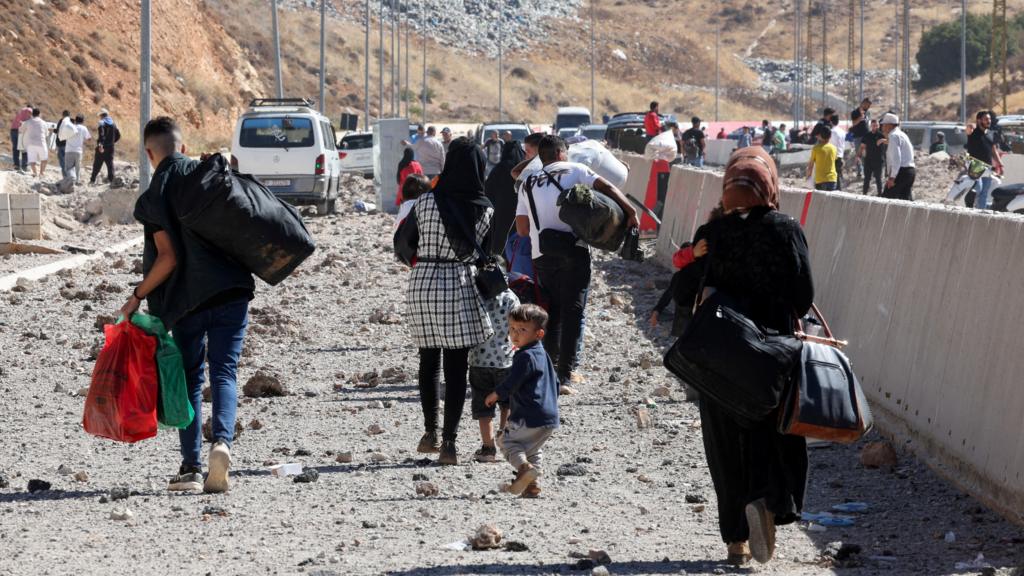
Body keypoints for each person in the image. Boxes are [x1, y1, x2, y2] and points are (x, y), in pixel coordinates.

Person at [123, 116, 255, 493]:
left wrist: (136, 297)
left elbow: (167, 259)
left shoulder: (153, 196)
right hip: (231, 290)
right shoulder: (210, 175)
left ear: (150, 153)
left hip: (185, 302)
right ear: (182, 147)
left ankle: (191, 469)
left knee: (192, 379)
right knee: (225, 372)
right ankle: (223, 444)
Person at [699, 145, 814, 566]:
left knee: (724, 443)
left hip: (718, 354)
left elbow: (692, 285)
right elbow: (804, 295)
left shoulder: (716, 232)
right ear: (770, 185)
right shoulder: (786, 230)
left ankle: (735, 540)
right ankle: (764, 500)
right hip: (771, 353)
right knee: (772, 433)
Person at [514, 135, 639, 390]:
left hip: (542, 255)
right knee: (573, 311)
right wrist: (630, 211)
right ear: (562, 153)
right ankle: (565, 375)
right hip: (575, 251)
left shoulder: (526, 183)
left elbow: (523, 229)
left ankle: (548, 369)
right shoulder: (577, 170)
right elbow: (608, 188)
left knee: (551, 313)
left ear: (541, 157)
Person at [407, 137, 495, 465]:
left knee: (428, 360)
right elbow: (487, 251)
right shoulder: (486, 209)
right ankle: (449, 444)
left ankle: (429, 432)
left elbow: (409, 242)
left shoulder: (426, 201)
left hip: (424, 283)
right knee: (457, 368)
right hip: (459, 284)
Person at [485, 303, 559, 498]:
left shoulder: (524, 356)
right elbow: (556, 383)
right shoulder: (543, 355)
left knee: (507, 442)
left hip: (528, 414)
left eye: (523, 330)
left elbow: (513, 381)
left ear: (539, 334)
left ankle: (525, 470)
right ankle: (531, 485)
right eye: (512, 328)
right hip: (549, 417)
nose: (515, 334)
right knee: (532, 449)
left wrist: (496, 394)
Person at [468, 286, 520, 463]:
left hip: (479, 360)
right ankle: (503, 433)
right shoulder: (510, 297)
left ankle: (488, 447)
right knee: (507, 402)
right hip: (505, 360)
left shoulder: (475, 294)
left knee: (484, 407)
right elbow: (519, 327)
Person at [484, 138, 525, 256]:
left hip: (500, 215)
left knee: (501, 246)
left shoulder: (498, 170)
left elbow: (488, 192)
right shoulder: (524, 171)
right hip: (520, 215)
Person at [966, 111, 1003, 210]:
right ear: (979, 120)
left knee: (984, 193)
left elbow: (994, 150)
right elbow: (968, 128)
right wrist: (971, 125)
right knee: (978, 188)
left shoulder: (991, 134)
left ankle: (980, 213)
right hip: (975, 166)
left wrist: (1000, 164)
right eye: (986, 119)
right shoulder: (973, 132)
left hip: (987, 167)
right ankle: (969, 205)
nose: (989, 121)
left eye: (989, 119)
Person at [880, 113, 915, 201]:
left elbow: (896, 158)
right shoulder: (901, 134)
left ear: (889, 125)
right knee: (905, 202)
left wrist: (892, 178)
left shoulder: (893, 136)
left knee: (886, 200)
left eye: (884, 125)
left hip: (901, 172)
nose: (882, 127)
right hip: (909, 171)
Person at [807, 123, 838, 191]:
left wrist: (808, 176)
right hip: (832, 179)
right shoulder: (834, 148)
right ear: (830, 136)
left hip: (820, 180)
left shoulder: (816, 148)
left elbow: (811, 165)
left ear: (820, 136)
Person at [90, 109, 117, 185]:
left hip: (102, 147)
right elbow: (118, 135)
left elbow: (101, 134)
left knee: (97, 163)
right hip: (111, 147)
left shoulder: (101, 123)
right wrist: (112, 142)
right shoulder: (113, 124)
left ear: (101, 115)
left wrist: (101, 144)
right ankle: (111, 180)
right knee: (110, 163)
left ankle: (92, 180)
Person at [859, 119, 885, 195]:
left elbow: (888, 141)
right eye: (873, 125)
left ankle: (880, 194)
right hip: (868, 160)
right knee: (867, 179)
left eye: (876, 125)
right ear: (871, 126)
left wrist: (883, 140)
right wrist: (858, 156)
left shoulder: (881, 135)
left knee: (878, 179)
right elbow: (862, 146)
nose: (875, 127)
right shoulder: (867, 135)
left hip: (878, 160)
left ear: (878, 126)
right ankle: (864, 194)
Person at [21, 109, 50, 178]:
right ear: (39, 114)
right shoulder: (43, 123)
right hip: (41, 143)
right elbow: (46, 134)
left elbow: (21, 130)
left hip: (30, 144)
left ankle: (34, 173)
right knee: (44, 159)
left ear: (32, 114)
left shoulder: (27, 122)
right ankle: (41, 173)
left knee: (32, 160)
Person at [64, 114, 91, 185]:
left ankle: (70, 181)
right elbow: (89, 138)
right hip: (78, 151)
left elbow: (63, 136)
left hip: (69, 150)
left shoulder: (70, 127)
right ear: (83, 121)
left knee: (69, 168)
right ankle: (77, 181)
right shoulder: (84, 128)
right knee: (77, 168)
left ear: (75, 120)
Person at [10, 103, 31, 171]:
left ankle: (16, 165)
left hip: (13, 130)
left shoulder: (21, 111)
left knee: (15, 148)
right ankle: (24, 166)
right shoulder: (29, 110)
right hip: (21, 131)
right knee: (24, 149)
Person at [828, 113, 846, 190]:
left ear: (831, 122)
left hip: (833, 156)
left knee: (834, 176)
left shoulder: (832, 132)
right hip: (840, 155)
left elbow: (829, 144)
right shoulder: (842, 131)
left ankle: (837, 191)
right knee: (838, 175)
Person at [54, 110, 72, 177]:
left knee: (62, 161)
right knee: (68, 161)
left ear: (63, 115)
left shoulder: (61, 121)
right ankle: (70, 176)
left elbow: (58, 131)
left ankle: (65, 176)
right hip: (68, 144)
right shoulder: (71, 121)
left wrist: (53, 130)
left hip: (60, 144)